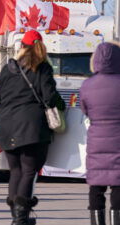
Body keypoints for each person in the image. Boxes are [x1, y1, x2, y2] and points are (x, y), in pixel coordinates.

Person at [0, 30, 65, 225]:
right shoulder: (42, 68)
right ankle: (21, 218)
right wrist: (61, 104)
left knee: (15, 171)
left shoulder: (8, 69)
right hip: (32, 126)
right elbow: (49, 97)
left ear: (22, 47)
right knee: (28, 171)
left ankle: (18, 216)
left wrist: (10, 112)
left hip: (6, 126)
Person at [80, 42, 120, 225]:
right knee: (118, 186)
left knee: (96, 188)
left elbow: (85, 110)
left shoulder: (87, 85)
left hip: (97, 141)